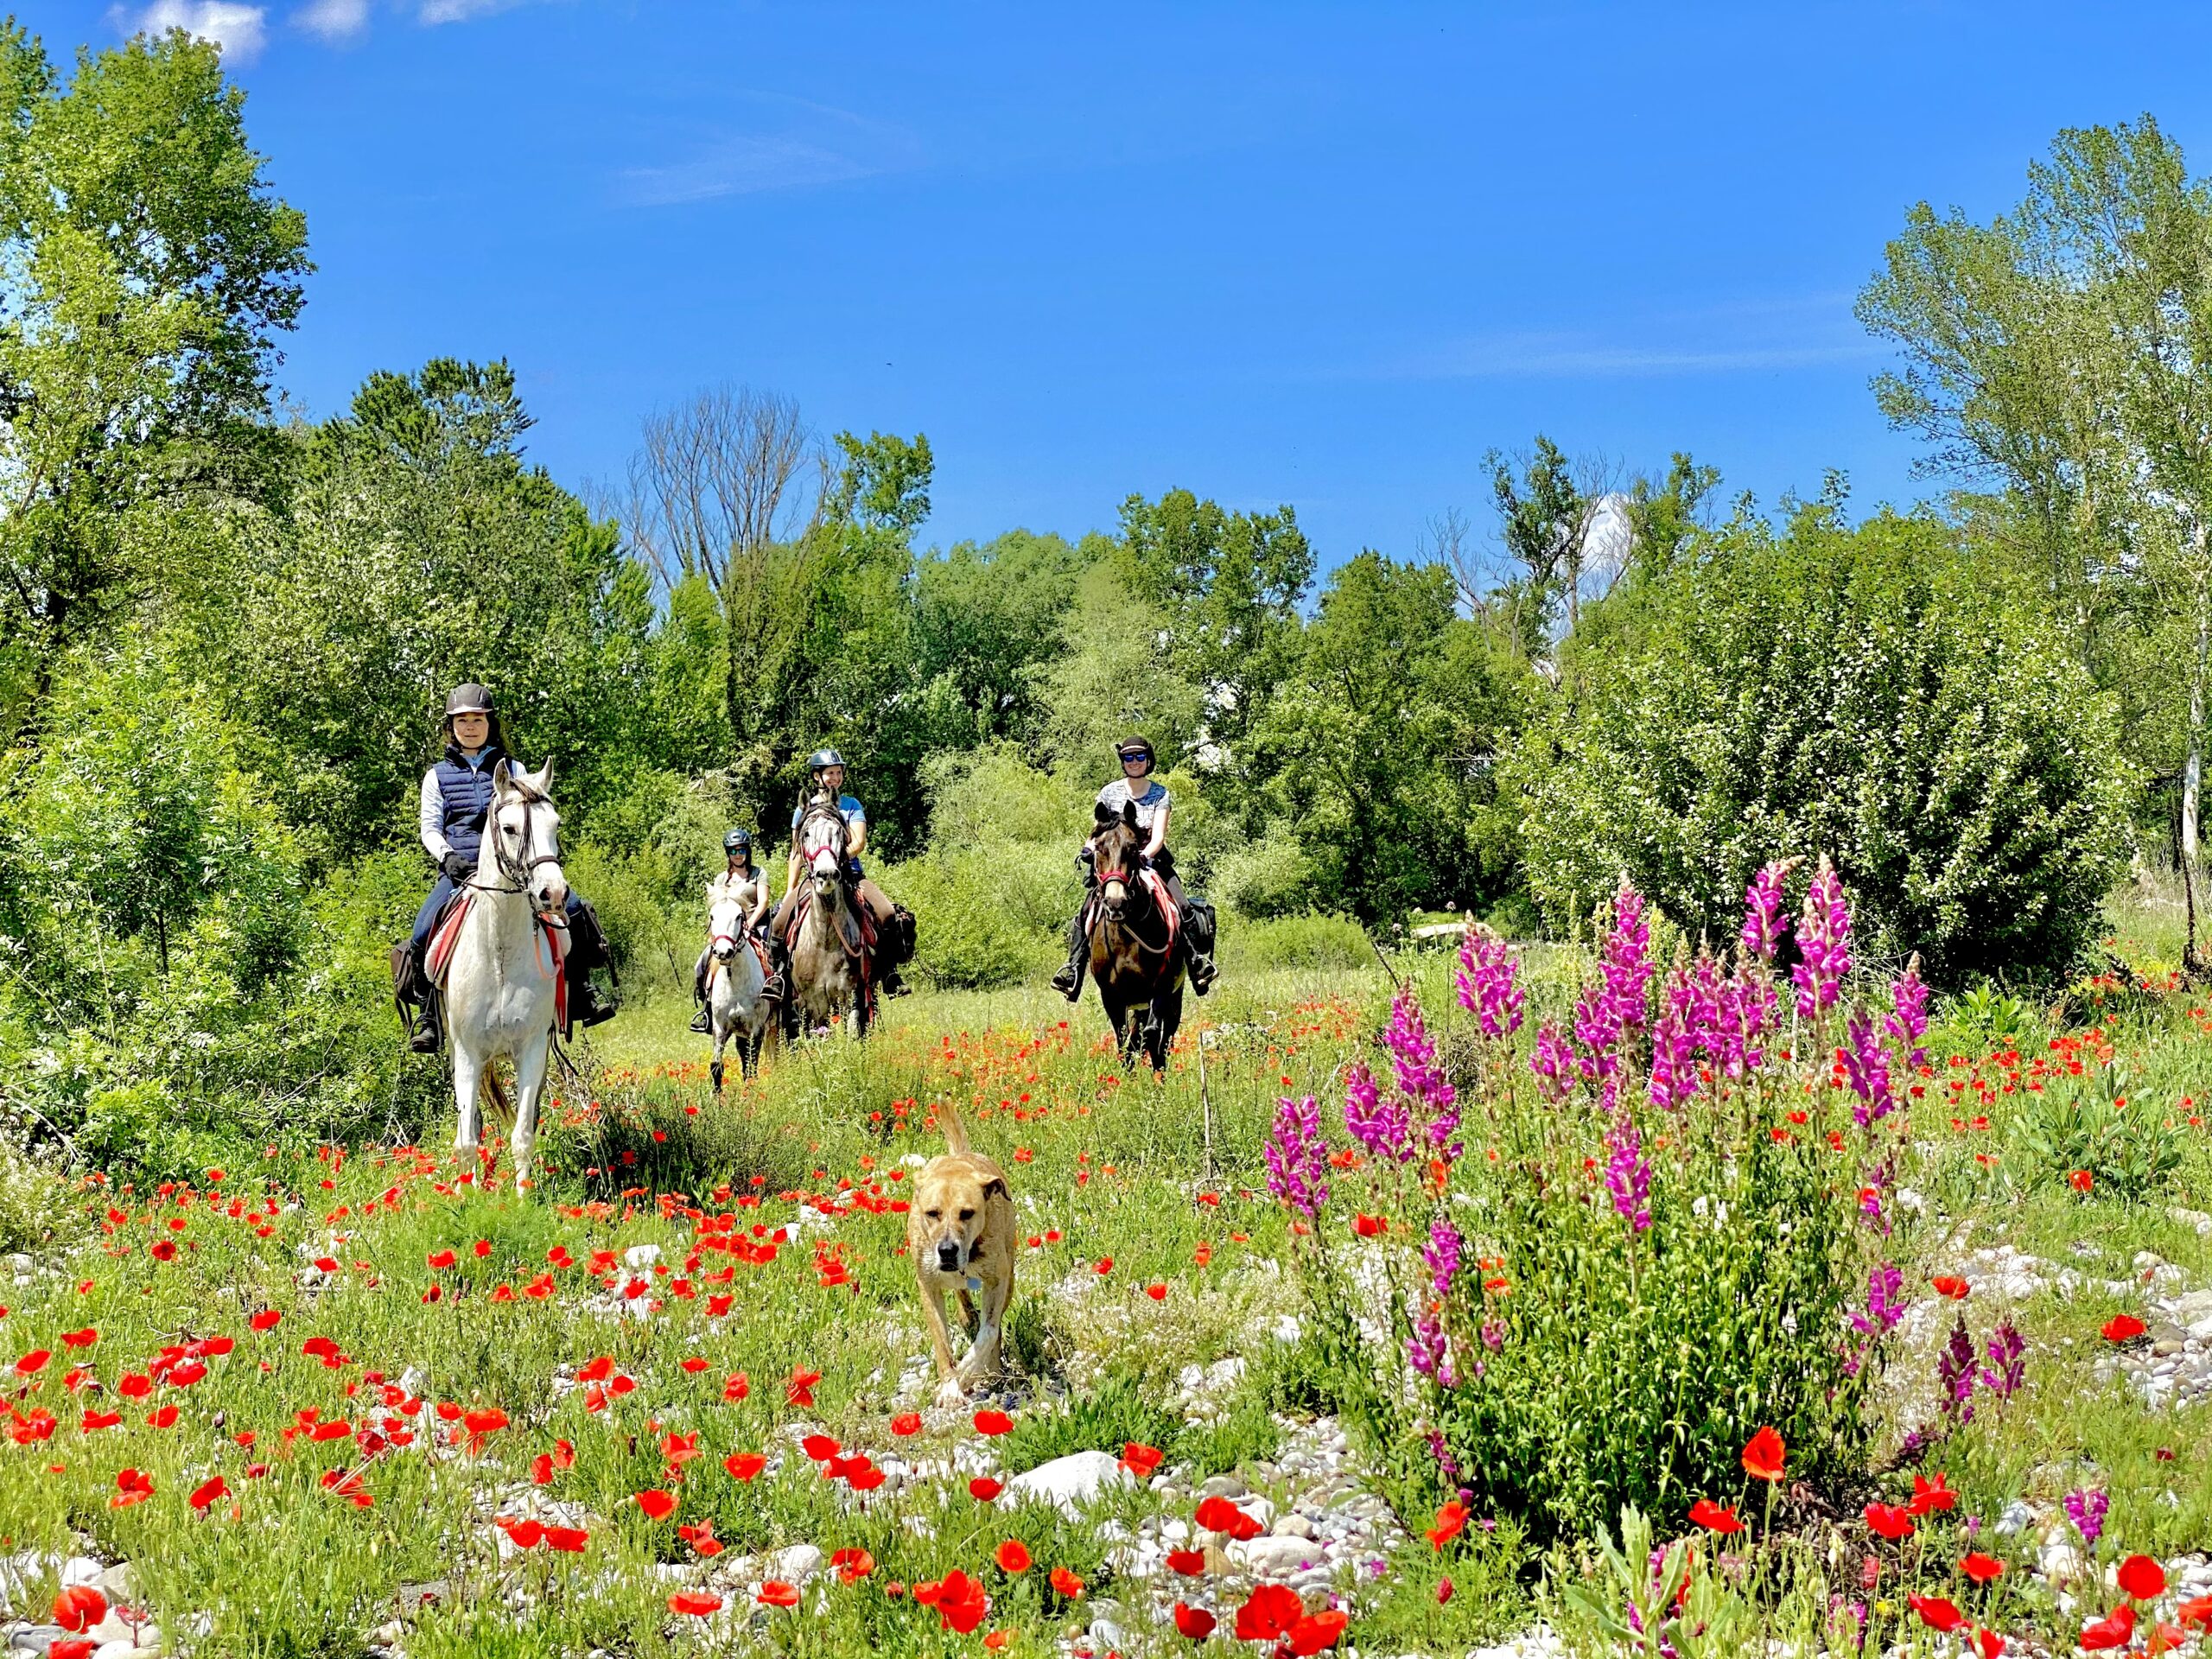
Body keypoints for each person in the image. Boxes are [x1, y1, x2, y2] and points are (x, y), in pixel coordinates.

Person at [396, 683, 616, 1053]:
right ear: (451, 726)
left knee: (574, 910)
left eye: (477, 719)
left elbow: (531, 820)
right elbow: (430, 828)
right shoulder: (436, 776)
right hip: (460, 871)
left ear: (489, 723)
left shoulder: (514, 768)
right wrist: (447, 856)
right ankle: (430, 1018)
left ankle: (581, 994)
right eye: (461, 720)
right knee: (421, 933)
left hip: (517, 870)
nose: (470, 726)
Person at [1052, 734, 1216, 1001]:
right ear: (1123, 762)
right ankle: (1073, 970)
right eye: (1129, 757)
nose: (1134, 762)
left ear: (1148, 760)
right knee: (1085, 913)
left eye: (1140, 757)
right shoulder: (1108, 793)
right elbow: (1097, 832)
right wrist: (1088, 849)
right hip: (1113, 866)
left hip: (1150, 860)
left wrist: (1142, 858)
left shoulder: (1160, 794)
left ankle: (1197, 962)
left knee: (1184, 906)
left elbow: (1159, 837)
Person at [764, 747, 913, 998]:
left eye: (838, 772)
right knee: (779, 922)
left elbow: (858, 842)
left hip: (850, 874)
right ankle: (779, 976)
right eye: (830, 773)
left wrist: (835, 859)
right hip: (814, 878)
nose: (835, 777)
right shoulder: (803, 810)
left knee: (887, 914)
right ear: (816, 776)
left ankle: (889, 973)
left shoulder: (851, 805)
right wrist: (791, 890)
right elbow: (796, 852)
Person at [690, 829, 772, 1033]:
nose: (738, 854)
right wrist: (717, 934)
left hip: (757, 926)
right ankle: (708, 1009)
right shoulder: (721, 880)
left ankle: (782, 999)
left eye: (742, 849)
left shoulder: (758, 874)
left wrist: (749, 925)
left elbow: (763, 902)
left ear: (747, 850)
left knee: (776, 955)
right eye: (734, 850)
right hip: (728, 932)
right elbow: (717, 909)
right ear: (728, 853)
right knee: (701, 964)